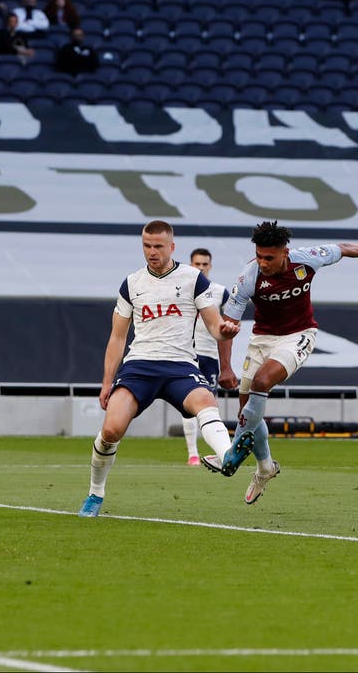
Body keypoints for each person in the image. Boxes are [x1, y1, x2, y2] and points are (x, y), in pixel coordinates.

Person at [203, 221, 358, 505]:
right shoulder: (249, 276)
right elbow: (228, 325)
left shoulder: (307, 258)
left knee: (262, 383)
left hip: (299, 336)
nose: (262, 262)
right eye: (259, 256)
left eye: (269, 258)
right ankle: (265, 468)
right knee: (247, 410)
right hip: (261, 340)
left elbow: (342, 249)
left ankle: (234, 451)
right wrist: (225, 367)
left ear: (285, 252)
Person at [78, 221, 242, 518]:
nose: (152, 252)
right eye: (147, 246)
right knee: (111, 430)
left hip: (180, 366)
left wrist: (225, 331)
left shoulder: (194, 279)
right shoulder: (132, 283)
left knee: (206, 402)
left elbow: (214, 326)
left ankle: (226, 456)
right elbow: (117, 337)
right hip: (139, 367)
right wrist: (106, 383)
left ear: (172, 247)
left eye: (158, 246)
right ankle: (95, 493)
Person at [181, 248, 236, 466]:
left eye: (205, 264)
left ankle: (220, 451)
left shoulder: (220, 292)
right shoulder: (182, 288)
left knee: (209, 403)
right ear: (191, 265)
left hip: (210, 355)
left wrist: (226, 364)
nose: (201, 268)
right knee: (185, 405)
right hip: (186, 354)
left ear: (210, 266)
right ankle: (192, 453)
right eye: (197, 264)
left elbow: (229, 324)